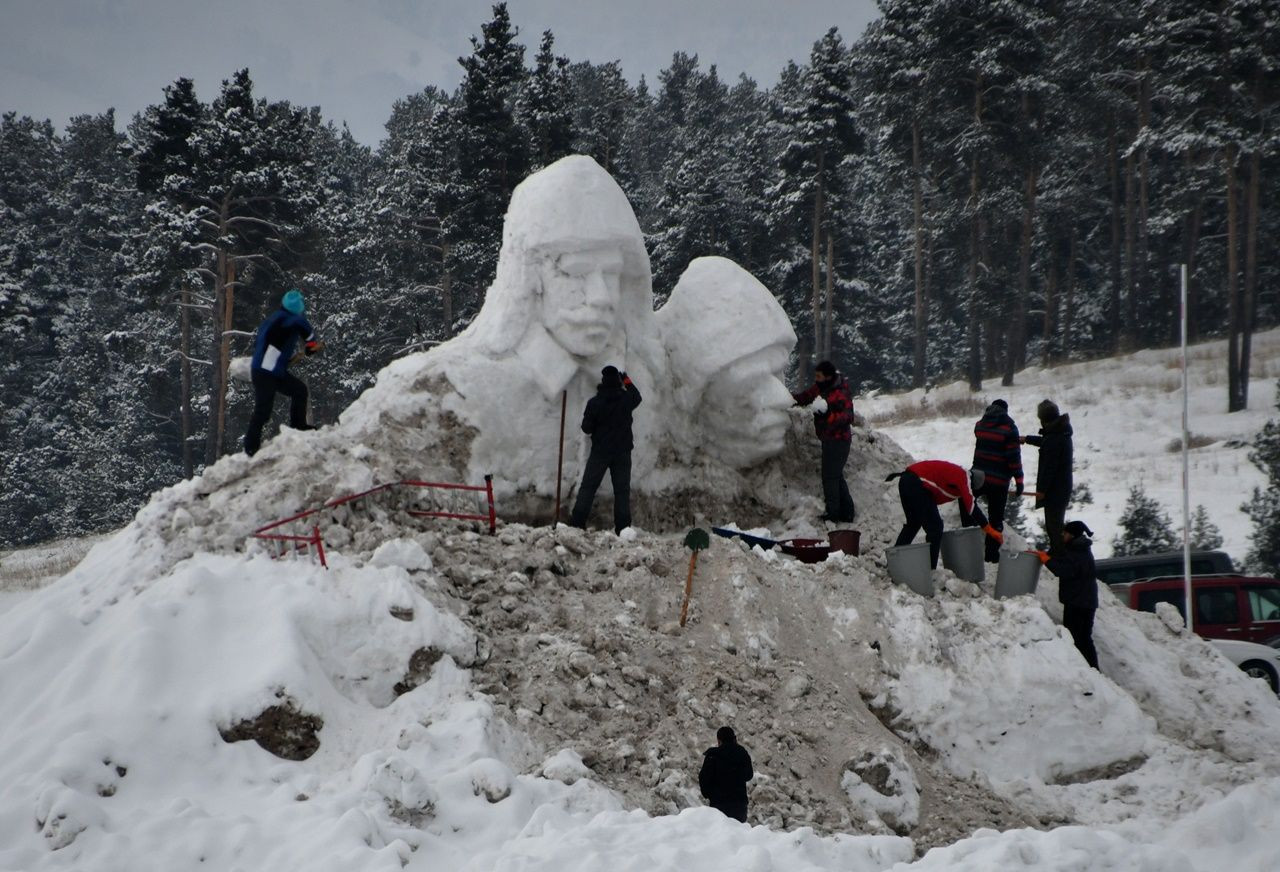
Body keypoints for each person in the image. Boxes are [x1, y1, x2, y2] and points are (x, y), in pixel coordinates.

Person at [244, 288, 321, 457]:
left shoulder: (272, 319)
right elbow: (311, 341)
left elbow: (267, 344)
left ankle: (298, 427)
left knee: (299, 390)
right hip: (268, 373)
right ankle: (250, 447)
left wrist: (283, 360)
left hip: (262, 369)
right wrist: (311, 349)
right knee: (263, 410)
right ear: (299, 308)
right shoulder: (295, 320)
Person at [569, 366, 642, 533]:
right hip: (622, 452)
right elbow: (637, 397)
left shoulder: (594, 403)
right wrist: (627, 380)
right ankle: (623, 528)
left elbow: (586, 428)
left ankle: (577, 523)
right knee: (622, 491)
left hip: (600, 452)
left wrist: (594, 422)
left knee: (588, 487)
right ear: (618, 381)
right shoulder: (626, 399)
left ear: (602, 382)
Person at [886, 460, 997, 569]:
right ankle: (930, 569)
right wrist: (988, 528)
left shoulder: (957, 475)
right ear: (973, 483)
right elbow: (971, 507)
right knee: (935, 527)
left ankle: (895, 562)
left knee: (913, 523)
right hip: (916, 482)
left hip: (906, 481)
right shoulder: (964, 477)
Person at [792, 361, 856, 523]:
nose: (816, 379)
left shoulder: (840, 392)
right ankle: (847, 512)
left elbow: (848, 417)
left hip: (839, 441)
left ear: (828, 377)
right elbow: (805, 397)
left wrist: (827, 415)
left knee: (829, 477)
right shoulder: (822, 387)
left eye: (819, 376)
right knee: (835, 476)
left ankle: (833, 514)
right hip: (828, 439)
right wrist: (788, 398)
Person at [1033, 520, 1099, 670]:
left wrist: (1047, 560)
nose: (1063, 534)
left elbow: (1065, 570)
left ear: (1072, 535)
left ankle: (1087, 670)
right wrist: (1048, 556)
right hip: (1084, 601)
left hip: (1078, 603)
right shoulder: (1079, 548)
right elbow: (1065, 561)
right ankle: (1092, 670)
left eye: (1066, 532)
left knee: (1076, 638)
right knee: (1084, 639)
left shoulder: (1078, 551)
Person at [972, 399, 1025, 563]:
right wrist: (1019, 479)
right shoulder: (1009, 428)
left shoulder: (979, 425)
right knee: (996, 519)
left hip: (978, 476)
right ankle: (991, 556)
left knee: (968, 505)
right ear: (1005, 411)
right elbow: (1013, 456)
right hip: (999, 480)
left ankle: (968, 538)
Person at [1022, 399, 1074, 557]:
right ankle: (1058, 553)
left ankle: (1059, 557)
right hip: (1062, 489)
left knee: (1054, 527)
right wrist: (1027, 439)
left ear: (1043, 419)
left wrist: (1042, 491)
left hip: (1054, 492)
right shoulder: (1061, 432)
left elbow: (1049, 468)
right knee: (1055, 525)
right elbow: (1047, 442)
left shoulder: (1054, 438)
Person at [698, 725, 754, 823]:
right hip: (739, 807)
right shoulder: (741, 753)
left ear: (719, 740)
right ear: (734, 739)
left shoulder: (713, 756)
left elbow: (704, 781)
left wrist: (710, 794)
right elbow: (749, 775)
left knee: (721, 835)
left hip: (719, 807)